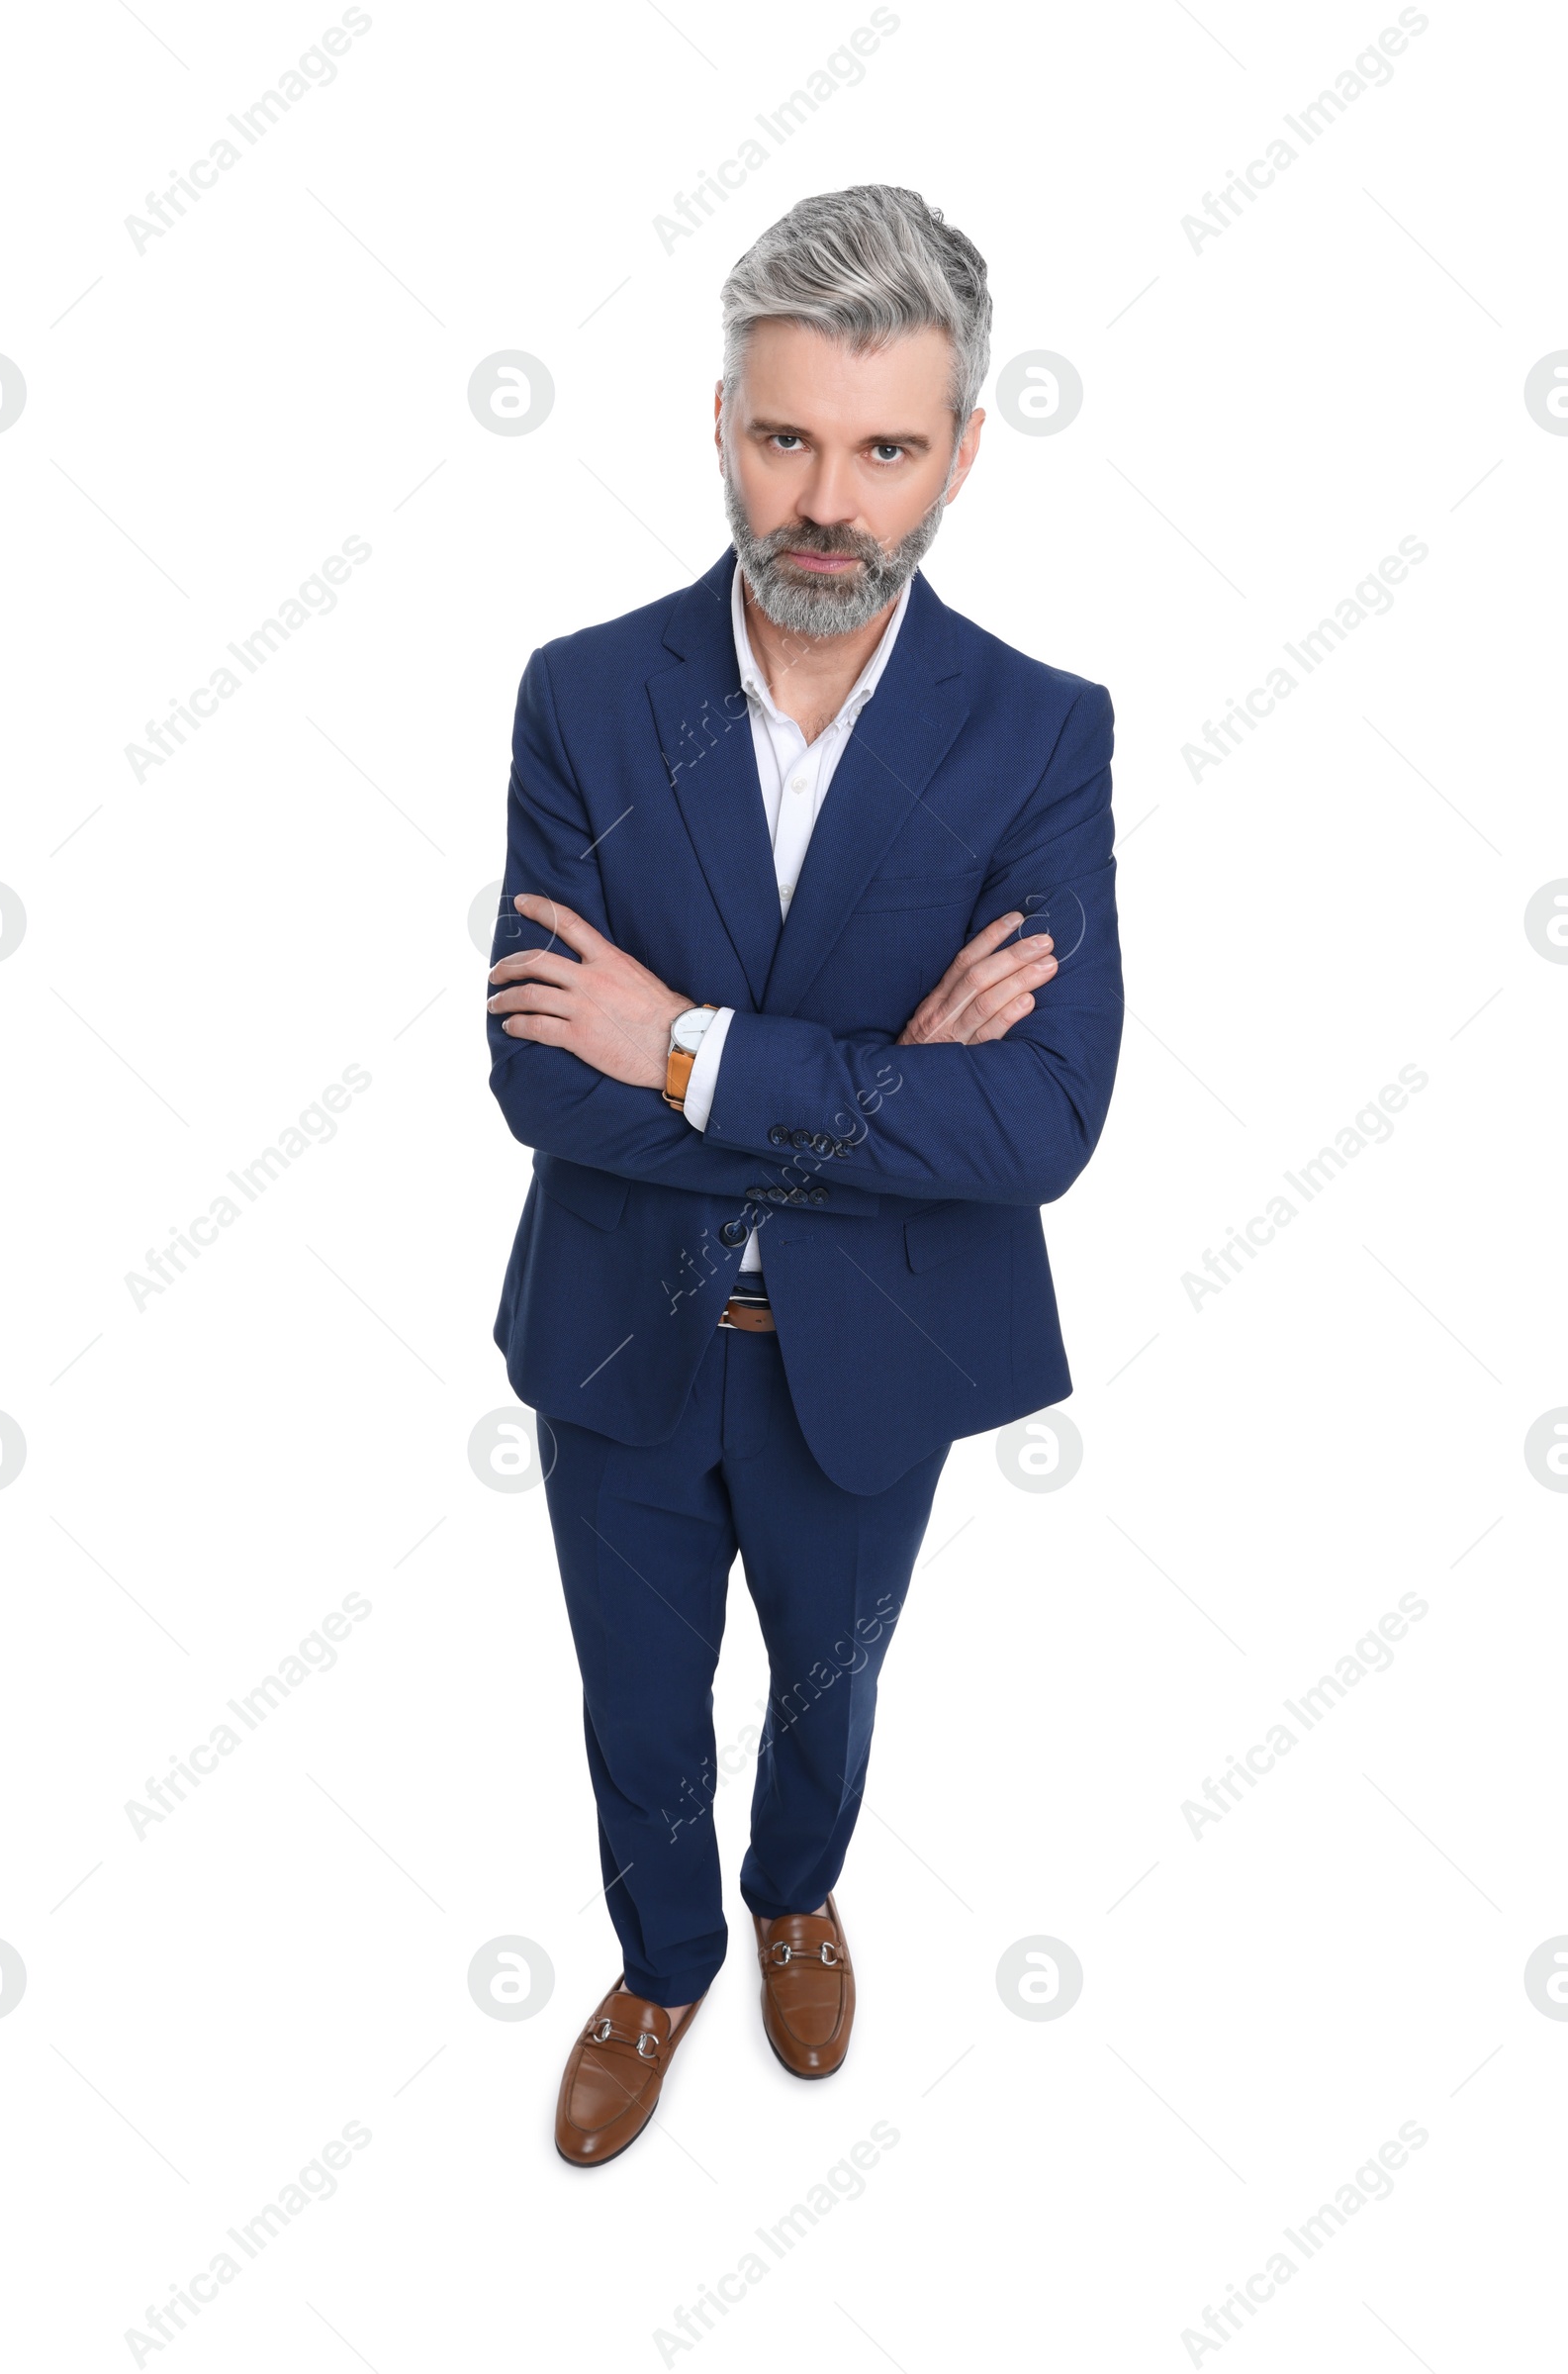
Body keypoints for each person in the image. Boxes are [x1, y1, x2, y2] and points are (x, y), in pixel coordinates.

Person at [485, 183, 1122, 2166]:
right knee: (636, 1709)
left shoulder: (1034, 735)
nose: (824, 501)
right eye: (785, 438)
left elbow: (1039, 1126)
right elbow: (535, 1082)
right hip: (618, 1338)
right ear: (720, 421)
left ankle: (794, 1899)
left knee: (826, 1699)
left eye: (880, 448)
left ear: (958, 451)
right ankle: (664, 1958)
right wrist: (884, 1082)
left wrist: (680, 1046)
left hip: (871, 1365)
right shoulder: (585, 697)